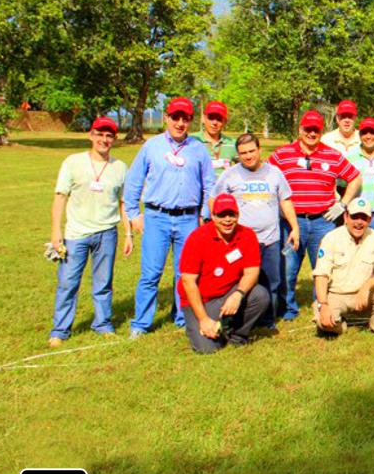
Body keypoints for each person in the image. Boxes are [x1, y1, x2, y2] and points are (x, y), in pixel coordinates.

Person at [125, 96, 215, 339]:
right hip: (157, 217)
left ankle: (182, 318)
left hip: (188, 219)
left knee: (185, 273)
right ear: (166, 117)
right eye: (175, 117)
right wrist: (133, 214)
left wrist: (204, 215)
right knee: (151, 273)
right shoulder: (152, 146)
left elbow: (209, 184)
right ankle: (141, 324)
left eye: (185, 119)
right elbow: (133, 182)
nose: (180, 123)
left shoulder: (198, 149)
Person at [268, 110, 362, 320]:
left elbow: (355, 177)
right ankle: (288, 308)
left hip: (322, 221)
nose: (311, 133)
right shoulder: (282, 154)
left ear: (321, 131)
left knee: (323, 266)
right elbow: (267, 176)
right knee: (288, 267)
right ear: (300, 129)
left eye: (316, 130)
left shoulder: (331, 155)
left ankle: (320, 304)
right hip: (292, 222)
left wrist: (343, 204)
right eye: (307, 129)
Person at [48, 116, 132, 348]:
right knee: (68, 283)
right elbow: (60, 197)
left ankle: (102, 324)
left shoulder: (120, 167)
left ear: (114, 139)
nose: (104, 139)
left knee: (103, 283)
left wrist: (128, 234)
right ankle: (60, 330)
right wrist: (56, 232)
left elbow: (124, 203)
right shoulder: (72, 162)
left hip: (107, 233)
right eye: (100, 134)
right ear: (91, 135)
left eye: (109, 136)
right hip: (76, 235)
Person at [213, 133, 300, 328]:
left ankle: (267, 321)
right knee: (237, 281)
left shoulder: (274, 173)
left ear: (260, 150)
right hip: (240, 242)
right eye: (243, 153)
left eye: (251, 151)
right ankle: (239, 319)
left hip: (270, 240)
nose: (248, 156)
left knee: (272, 281)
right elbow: (214, 200)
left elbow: (285, 201)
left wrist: (295, 227)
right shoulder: (230, 175)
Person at [177, 194, 270, 354]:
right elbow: (188, 281)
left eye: (231, 215)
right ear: (213, 216)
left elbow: (252, 271)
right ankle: (207, 327)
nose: (227, 220)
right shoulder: (197, 238)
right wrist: (204, 320)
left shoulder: (247, 235)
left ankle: (237, 335)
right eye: (221, 215)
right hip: (201, 300)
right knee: (207, 349)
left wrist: (238, 294)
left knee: (260, 295)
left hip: (229, 292)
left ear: (237, 215)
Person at [312, 198, 374, 336]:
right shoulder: (331, 238)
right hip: (337, 295)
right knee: (324, 323)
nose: (359, 222)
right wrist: (323, 304)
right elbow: (321, 274)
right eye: (355, 217)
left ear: (370, 220)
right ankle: (341, 325)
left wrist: (366, 286)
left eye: (364, 218)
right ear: (346, 217)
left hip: (363, 295)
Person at [344, 117, 374, 230]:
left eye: (373, 132)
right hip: (356, 214)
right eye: (364, 133)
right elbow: (341, 185)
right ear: (359, 135)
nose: (368, 136)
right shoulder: (349, 157)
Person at [191, 100, 237, 178]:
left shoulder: (233, 144)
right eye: (211, 118)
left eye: (219, 119)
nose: (214, 123)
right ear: (203, 118)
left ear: (225, 122)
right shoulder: (191, 140)